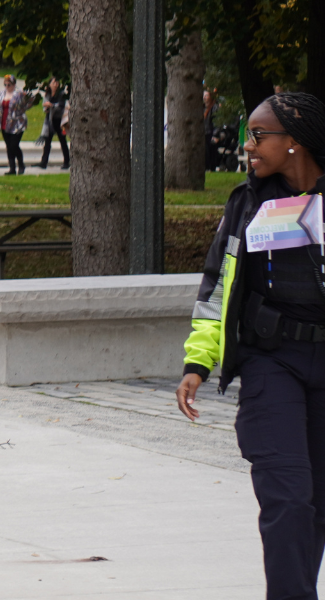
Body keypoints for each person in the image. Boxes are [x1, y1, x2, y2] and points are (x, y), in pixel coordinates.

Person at [176, 92, 325, 600]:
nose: (248, 145)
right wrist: (200, 359)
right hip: (270, 363)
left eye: (260, 136)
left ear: (295, 143)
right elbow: (218, 286)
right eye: (248, 134)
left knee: (317, 505)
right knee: (287, 498)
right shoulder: (247, 204)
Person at [0, 74, 28, 174]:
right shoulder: (2, 93)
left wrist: (21, 110)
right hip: (4, 123)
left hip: (17, 123)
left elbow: (29, 102)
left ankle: (21, 164)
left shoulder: (19, 94)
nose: (7, 86)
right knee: (8, 146)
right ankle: (12, 168)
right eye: (5, 84)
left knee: (14, 145)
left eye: (9, 84)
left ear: (14, 84)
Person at [37, 77, 70, 170]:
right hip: (50, 121)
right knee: (47, 142)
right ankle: (44, 162)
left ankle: (66, 161)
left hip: (59, 121)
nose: (56, 84)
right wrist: (47, 107)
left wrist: (51, 106)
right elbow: (45, 106)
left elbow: (61, 106)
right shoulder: (47, 94)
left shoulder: (61, 94)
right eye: (54, 82)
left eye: (57, 82)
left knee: (62, 141)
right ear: (49, 84)